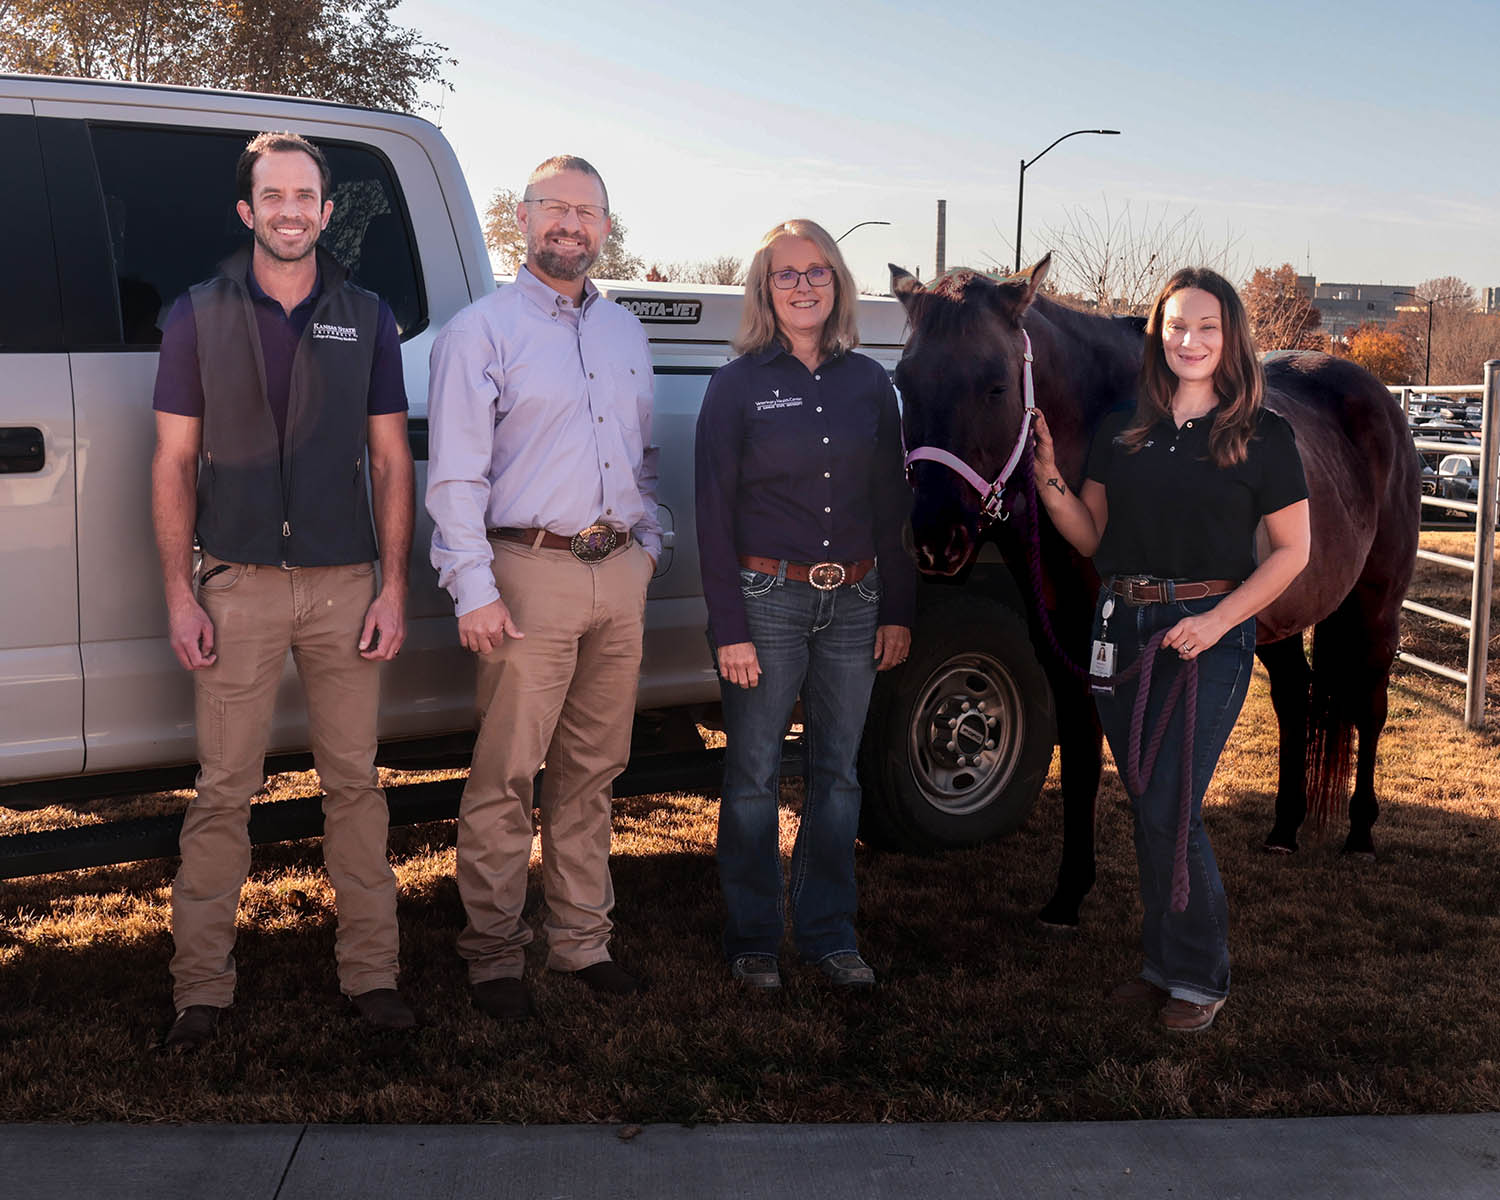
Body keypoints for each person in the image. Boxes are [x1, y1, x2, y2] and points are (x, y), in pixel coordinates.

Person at [151, 131, 415, 1050]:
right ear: (247, 210)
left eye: (306, 196)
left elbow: (391, 460)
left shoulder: (368, 315)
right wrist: (182, 595)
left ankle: (373, 976)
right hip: (238, 585)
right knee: (224, 790)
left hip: (346, 587)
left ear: (327, 211)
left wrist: (392, 587)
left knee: (355, 785)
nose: (291, 210)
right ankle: (200, 989)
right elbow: (173, 461)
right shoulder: (197, 313)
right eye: (274, 196)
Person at [1032, 266, 1310, 1032]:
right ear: (1158, 335)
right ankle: (1160, 965)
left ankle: (1198, 977)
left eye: (1207, 327)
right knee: (1148, 802)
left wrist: (1218, 624)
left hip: (1204, 635)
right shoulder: (1124, 428)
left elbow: (1293, 552)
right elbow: (1092, 537)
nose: (1190, 340)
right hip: (1121, 628)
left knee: (1172, 807)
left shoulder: (1263, 434)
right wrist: (1050, 478)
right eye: (1177, 325)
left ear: (1231, 338)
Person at [426, 155, 660, 1022]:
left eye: (587, 211)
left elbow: (643, 458)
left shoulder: (625, 333)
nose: (570, 223)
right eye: (554, 207)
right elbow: (455, 477)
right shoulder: (480, 332)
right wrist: (474, 589)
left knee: (594, 772)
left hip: (617, 575)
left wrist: (650, 547)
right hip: (526, 576)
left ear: (606, 227)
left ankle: (582, 942)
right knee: (507, 774)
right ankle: (494, 954)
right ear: (520, 218)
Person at [694, 219, 916, 990]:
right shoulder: (735, 386)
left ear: (838, 283)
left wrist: (897, 608)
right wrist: (729, 627)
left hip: (856, 601)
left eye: (817, 271)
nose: (803, 285)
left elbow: (892, 504)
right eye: (786, 274)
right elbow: (712, 514)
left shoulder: (869, 385)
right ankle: (754, 939)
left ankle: (828, 934)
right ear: (765, 288)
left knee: (839, 773)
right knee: (754, 773)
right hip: (766, 603)